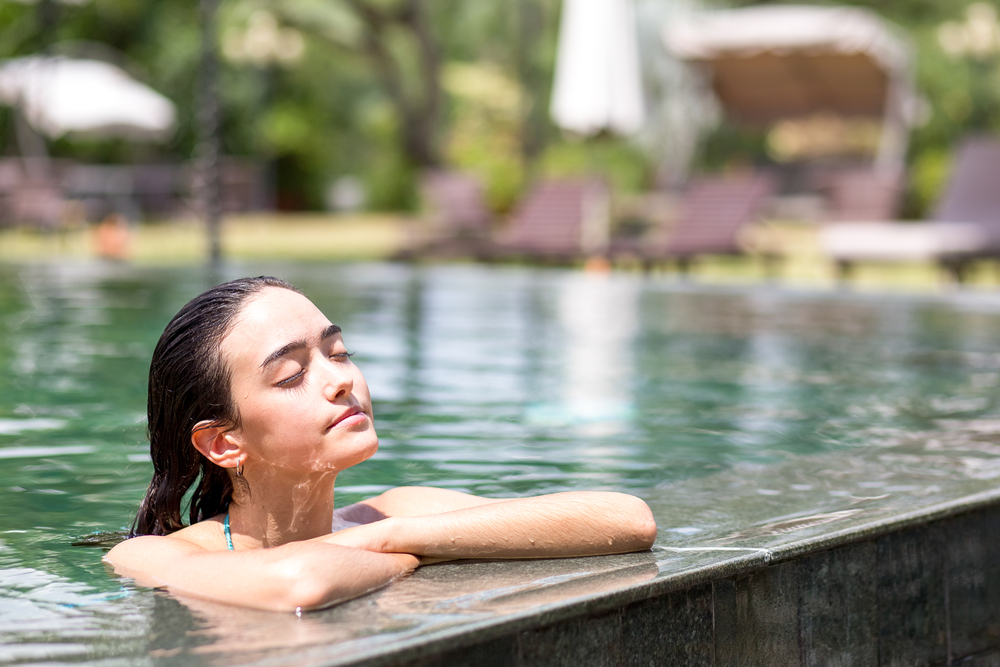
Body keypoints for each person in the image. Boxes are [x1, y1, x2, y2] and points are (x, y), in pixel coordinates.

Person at [104, 276, 657, 612]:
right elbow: (299, 584)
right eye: (292, 373)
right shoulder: (153, 554)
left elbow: (627, 519)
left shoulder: (391, 514)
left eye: (339, 352)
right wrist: (425, 548)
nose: (341, 380)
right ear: (223, 443)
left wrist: (394, 534)